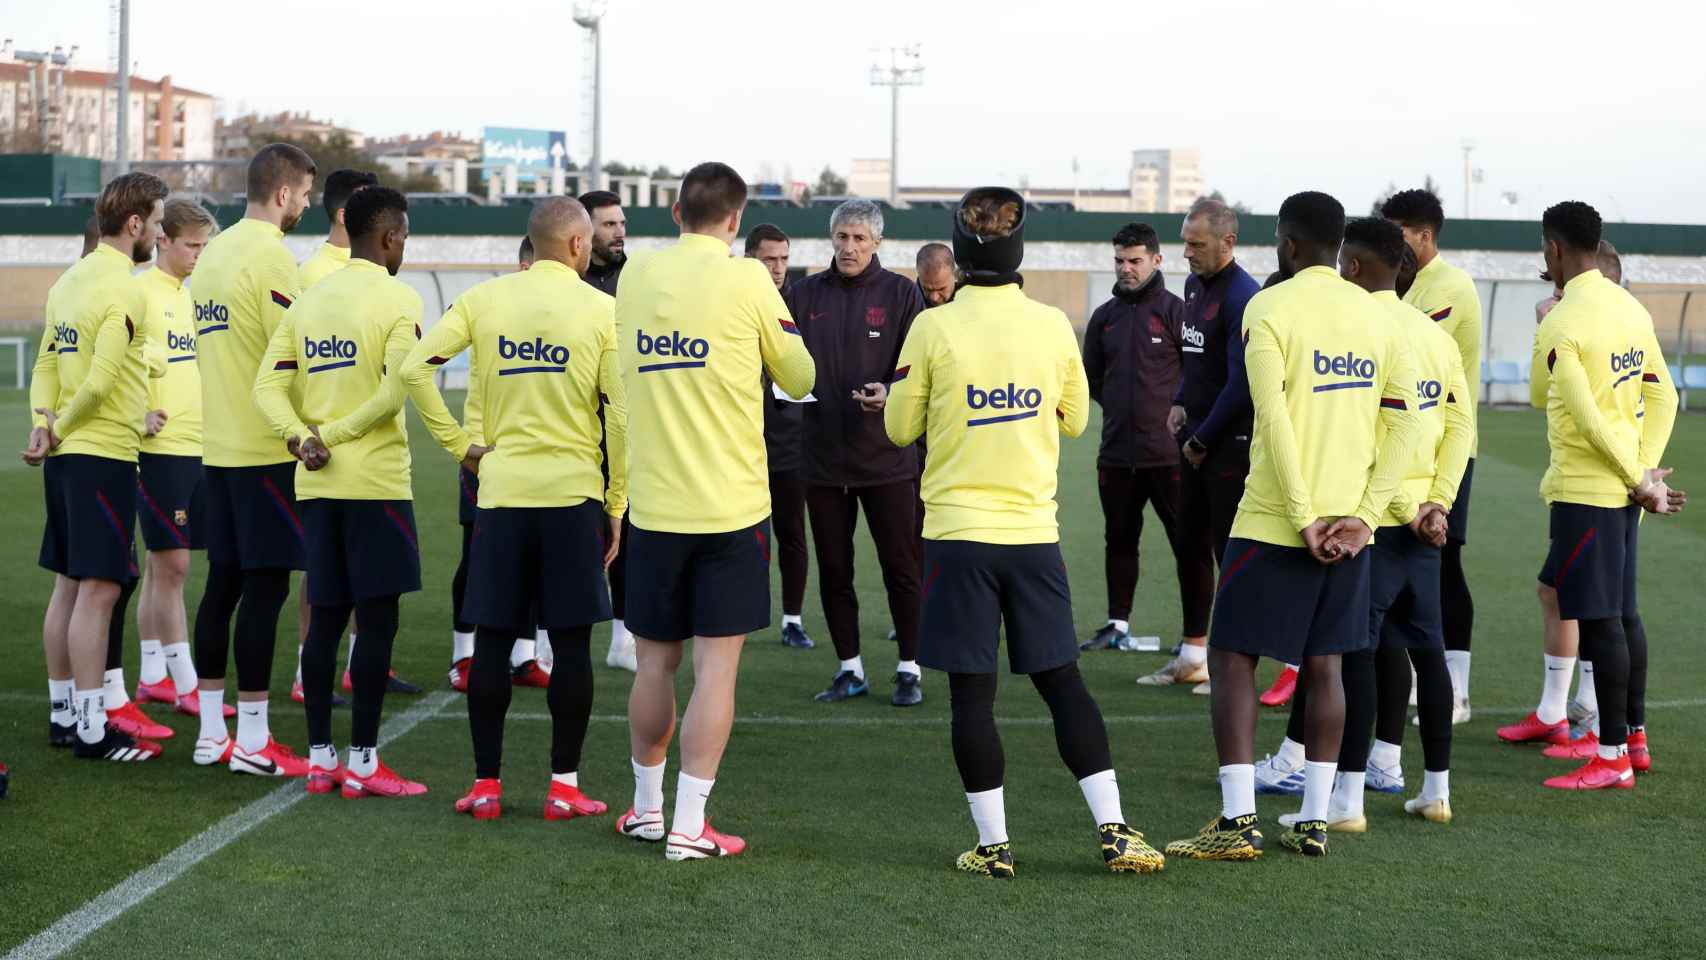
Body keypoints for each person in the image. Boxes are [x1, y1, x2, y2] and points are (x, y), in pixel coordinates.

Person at [885, 186, 1164, 878]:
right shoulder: (1049, 325)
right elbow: (1074, 419)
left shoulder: (934, 326)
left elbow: (896, 427)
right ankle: (1116, 831)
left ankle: (994, 846)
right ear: (1019, 251)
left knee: (972, 695)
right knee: (1063, 684)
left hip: (956, 536)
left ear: (960, 249)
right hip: (1033, 534)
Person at [1165, 191, 1420, 861]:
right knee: (1326, 662)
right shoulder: (1376, 317)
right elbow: (1407, 425)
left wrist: (1303, 515)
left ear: (1285, 242)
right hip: (1347, 525)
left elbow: (1271, 418)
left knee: (1230, 656)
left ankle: (1238, 820)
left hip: (1278, 516)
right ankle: (1312, 818)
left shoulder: (1268, 307)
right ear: (1338, 246)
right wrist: (1364, 517)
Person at [400, 197, 626, 819]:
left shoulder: (485, 299)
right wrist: (617, 502)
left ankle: (486, 785)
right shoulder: (604, 310)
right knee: (572, 644)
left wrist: (460, 448)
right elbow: (622, 415)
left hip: (500, 498)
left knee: (494, 643)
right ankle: (562, 787)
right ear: (579, 246)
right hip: (573, 497)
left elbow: (416, 370)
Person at [616, 161, 815, 860]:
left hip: (654, 505)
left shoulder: (637, 274)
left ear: (674, 212)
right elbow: (800, 374)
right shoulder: (748, 278)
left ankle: (646, 809)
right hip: (729, 509)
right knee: (716, 671)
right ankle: (689, 824)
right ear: (734, 222)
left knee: (652, 665)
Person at [1265, 218, 1473, 830]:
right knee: (1426, 654)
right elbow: (1460, 427)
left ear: (1352, 266)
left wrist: (1399, 506)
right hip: (1426, 524)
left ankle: (1347, 799)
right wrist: (1439, 502)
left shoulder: (1362, 326)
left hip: (1374, 517)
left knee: (1351, 654)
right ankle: (1435, 790)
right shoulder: (1435, 336)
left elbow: (1380, 427)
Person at [252, 185, 426, 798]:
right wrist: (335, 435)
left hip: (318, 486)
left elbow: (266, 389)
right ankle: (365, 762)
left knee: (324, 619)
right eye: (403, 235)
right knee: (376, 623)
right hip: (375, 483)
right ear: (389, 237)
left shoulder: (309, 303)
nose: (404, 244)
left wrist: (303, 440)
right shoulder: (400, 299)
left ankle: (322, 758)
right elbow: (395, 390)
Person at [1505, 202, 1681, 790]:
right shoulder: (1627, 305)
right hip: (1624, 489)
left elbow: (1575, 415)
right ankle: (1631, 739)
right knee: (1620, 615)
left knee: (1603, 622)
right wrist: (1646, 472)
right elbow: (1665, 399)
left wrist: (1639, 478)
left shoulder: (1563, 319)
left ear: (1553, 248)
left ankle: (1611, 758)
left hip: (1589, 490)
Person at [26, 171, 168, 762]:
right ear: (134, 224)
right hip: (101, 454)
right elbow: (102, 378)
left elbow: (47, 366)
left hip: (66, 458)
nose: (159, 234)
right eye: (158, 222)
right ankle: (91, 729)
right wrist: (58, 425)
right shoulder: (126, 289)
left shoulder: (69, 281)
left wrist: (42, 420)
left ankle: (65, 715)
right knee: (100, 590)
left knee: (67, 585)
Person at [188, 142, 318, 777]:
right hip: (267, 449)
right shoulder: (271, 257)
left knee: (223, 586)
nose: (308, 207)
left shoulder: (210, 257)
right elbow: (291, 355)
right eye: (306, 195)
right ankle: (253, 741)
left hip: (217, 449)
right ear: (285, 193)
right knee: (264, 591)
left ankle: (213, 733)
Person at [787, 199, 927, 706]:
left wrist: (891, 391)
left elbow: (919, 368)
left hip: (886, 458)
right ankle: (850, 669)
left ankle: (910, 668)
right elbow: (781, 362)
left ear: (877, 243)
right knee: (835, 570)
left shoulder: (902, 294)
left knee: (902, 567)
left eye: (859, 239)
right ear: (832, 239)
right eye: (842, 237)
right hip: (821, 460)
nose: (849, 247)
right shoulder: (802, 295)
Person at [286, 167, 418, 702]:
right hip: (328, 452)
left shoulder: (377, 283)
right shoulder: (315, 274)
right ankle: (306, 672)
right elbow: (296, 364)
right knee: (323, 583)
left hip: (337, 450)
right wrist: (305, 434)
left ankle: (362, 667)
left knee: (362, 588)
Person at [1503, 239, 1624, 741]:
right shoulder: (1576, 323)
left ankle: (1598, 724)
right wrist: (1545, 332)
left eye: (1560, 285)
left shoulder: (1609, 324)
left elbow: (1597, 412)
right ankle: (1558, 712)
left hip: (1599, 484)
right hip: (1580, 481)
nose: (1556, 295)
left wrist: (1638, 476)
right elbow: (1539, 391)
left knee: (1599, 606)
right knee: (1555, 590)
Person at [1145, 199, 1265, 698]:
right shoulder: (1193, 288)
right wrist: (1177, 402)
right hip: (1194, 441)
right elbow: (1196, 364)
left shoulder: (1245, 297)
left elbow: (1242, 383)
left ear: (1228, 242)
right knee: (1188, 547)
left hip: (1227, 446)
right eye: (1185, 241)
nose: (1185, 252)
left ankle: (1234, 665)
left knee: (1228, 555)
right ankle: (1193, 656)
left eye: (1196, 244)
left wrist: (1203, 437)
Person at [1080, 223, 1206, 671]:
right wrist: (1120, 408)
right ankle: (1118, 624)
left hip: (1169, 456)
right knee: (1119, 540)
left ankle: (1197, 639)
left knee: (1187, 545)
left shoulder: (1177, 313)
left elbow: (1198, 376)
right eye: (1119, 260)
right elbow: (1090, 379)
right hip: (1115, 453)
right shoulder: (1105, 318)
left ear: (1156, 260)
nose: (1126, 268)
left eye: (1134, 260)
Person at [1382, 189, 1482, 724]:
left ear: (1423, 235)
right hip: (1405, 449)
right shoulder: (1407, 283)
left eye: (1397, 232)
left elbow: (1413, 358)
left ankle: (1455, 688)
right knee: (1401, 562)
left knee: (1443, 563)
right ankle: (1413, 680)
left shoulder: (1451, 288)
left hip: (1446, 450)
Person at [132, 198, 232, 727]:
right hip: (159, 450)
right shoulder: (140, 293)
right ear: (162, 239)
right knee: (174, 565)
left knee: (162, 567)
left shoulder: (189, 299)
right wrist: (138, 411)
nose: (198, 255)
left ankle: (152, 675)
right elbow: (122, 362)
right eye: (191, 245)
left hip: (199, 446)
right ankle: (187, 681)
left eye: (204, 246)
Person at [446, 236, 554, 693]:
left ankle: (524, 655)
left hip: (542, 456)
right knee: (477, 555)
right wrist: (461, 444)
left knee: (534, 559)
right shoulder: (488, 307)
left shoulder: (562, 312)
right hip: (486, 455)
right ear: (524, 266)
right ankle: (463, 656)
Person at [746, 222, 812, 649]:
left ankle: (792, 618)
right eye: (770, 258)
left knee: (791, 532)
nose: (778, 267)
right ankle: (743, 615)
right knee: (744, 534)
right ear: (750, 257)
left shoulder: (801, 302)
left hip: (791, 438)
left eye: (784, 259)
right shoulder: (732, 302)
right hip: (740, 441)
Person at [580, 189, 635, 671]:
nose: (620, 232)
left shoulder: (635, 279)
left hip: (624, 423)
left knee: (629, 533)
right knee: (570, 533)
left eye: (621, 222)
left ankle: (623, 640)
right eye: (609, 224)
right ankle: (542, 643)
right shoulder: (564, 281)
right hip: (571, 426)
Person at [297, 168, 378, 290]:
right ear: (344, 217)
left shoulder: (378, 267)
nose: (377, 217)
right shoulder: (313, 275)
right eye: (369, 209)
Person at [915, 242, 956, 306]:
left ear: (955, 274)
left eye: (941, 289)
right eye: (927, 289)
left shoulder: (971, 300)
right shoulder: (907, 304)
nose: (934, 298)